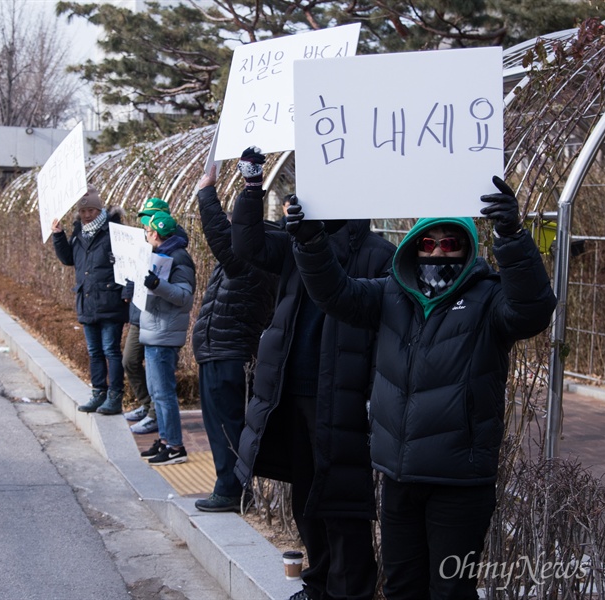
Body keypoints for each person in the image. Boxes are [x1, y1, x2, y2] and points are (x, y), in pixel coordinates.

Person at [288, 176, 556, 599]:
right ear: (414, 246)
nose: (438, 252)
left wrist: (512, 235)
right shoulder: (392, 294)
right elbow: (336, 294)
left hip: (461, 482)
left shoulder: (489, 299)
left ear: (467, 249)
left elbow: (534, 310)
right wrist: (309, 240)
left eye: (451, 244)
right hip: (399, 476)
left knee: (450, 591)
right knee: (401, 588)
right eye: (428, 244)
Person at [231, 147, 395, 600]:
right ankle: (319, 586)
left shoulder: (380, 254)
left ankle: (352, 591)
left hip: (342, 396)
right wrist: (250, 187)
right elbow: (246, 244)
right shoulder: (294, 241)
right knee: (307, 498)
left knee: (342, 505)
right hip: (289, 392)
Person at [192, 164, 276, 512]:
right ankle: (235, 488)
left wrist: (206, 192)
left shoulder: (254, 254)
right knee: (223, 424)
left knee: (227, 425)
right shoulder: (256, 251)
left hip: (229, 352)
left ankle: (232, 490)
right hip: (220, 349)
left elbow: (219, 236)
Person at [52, 184, 129, 415]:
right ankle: (98, 393)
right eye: (83, 211)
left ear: (100, 209)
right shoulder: (78, 233)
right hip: (86, 300)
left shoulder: (114, 230)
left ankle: (115, 396)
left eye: (92, 211)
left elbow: (128, 261)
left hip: (111, 300)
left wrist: (126, 292)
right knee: (94, 351)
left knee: (110, 350)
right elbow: (68, 259)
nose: (87, 215)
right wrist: (58, 236)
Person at [136, 211, 196, 465]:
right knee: (156, 392)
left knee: (163, 394)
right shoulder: (159, 254)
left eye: (147, 230)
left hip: (164, 333)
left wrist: (155, 285)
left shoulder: (179, 257)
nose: (145, 235)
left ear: (156, 233)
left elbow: (184, 296)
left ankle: (175, 446)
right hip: (154, 330)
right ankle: (164, 440)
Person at [123, 197, 181, 435]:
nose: (145, 228)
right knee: (130, 360)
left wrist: (156, 285)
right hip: (140, 313)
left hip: (158, 320)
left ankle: (164, 429)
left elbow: (182, 295)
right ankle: (148, 407)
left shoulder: (173, 250)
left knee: (161, 383)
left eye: (148, 223)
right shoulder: (144, 242)